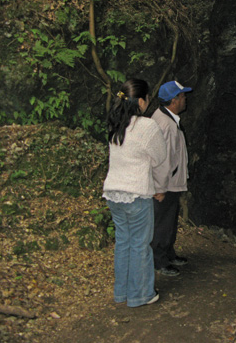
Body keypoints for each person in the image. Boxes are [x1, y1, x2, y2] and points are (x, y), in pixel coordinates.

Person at [103, 78, 167, 307]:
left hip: (113, 193)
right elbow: (160, 159)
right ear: (141, 101)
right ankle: (141, 294)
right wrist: (160, 188)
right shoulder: (147, 126)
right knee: (140, 244)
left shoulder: (116, 124)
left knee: (124, 243)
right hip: (136, 194)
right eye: (147, 99)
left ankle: (122, 293)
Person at [151, 80, 192, 276]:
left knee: (169, 222)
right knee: (162, 223)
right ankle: (159, 261)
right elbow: (161, 159)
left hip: (171, 182)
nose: (185, 99)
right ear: (174, 100)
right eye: (183, 96)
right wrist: (160, 187)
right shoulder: (165, 124)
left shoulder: (168, 119)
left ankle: (168, 253)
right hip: (165, 184)